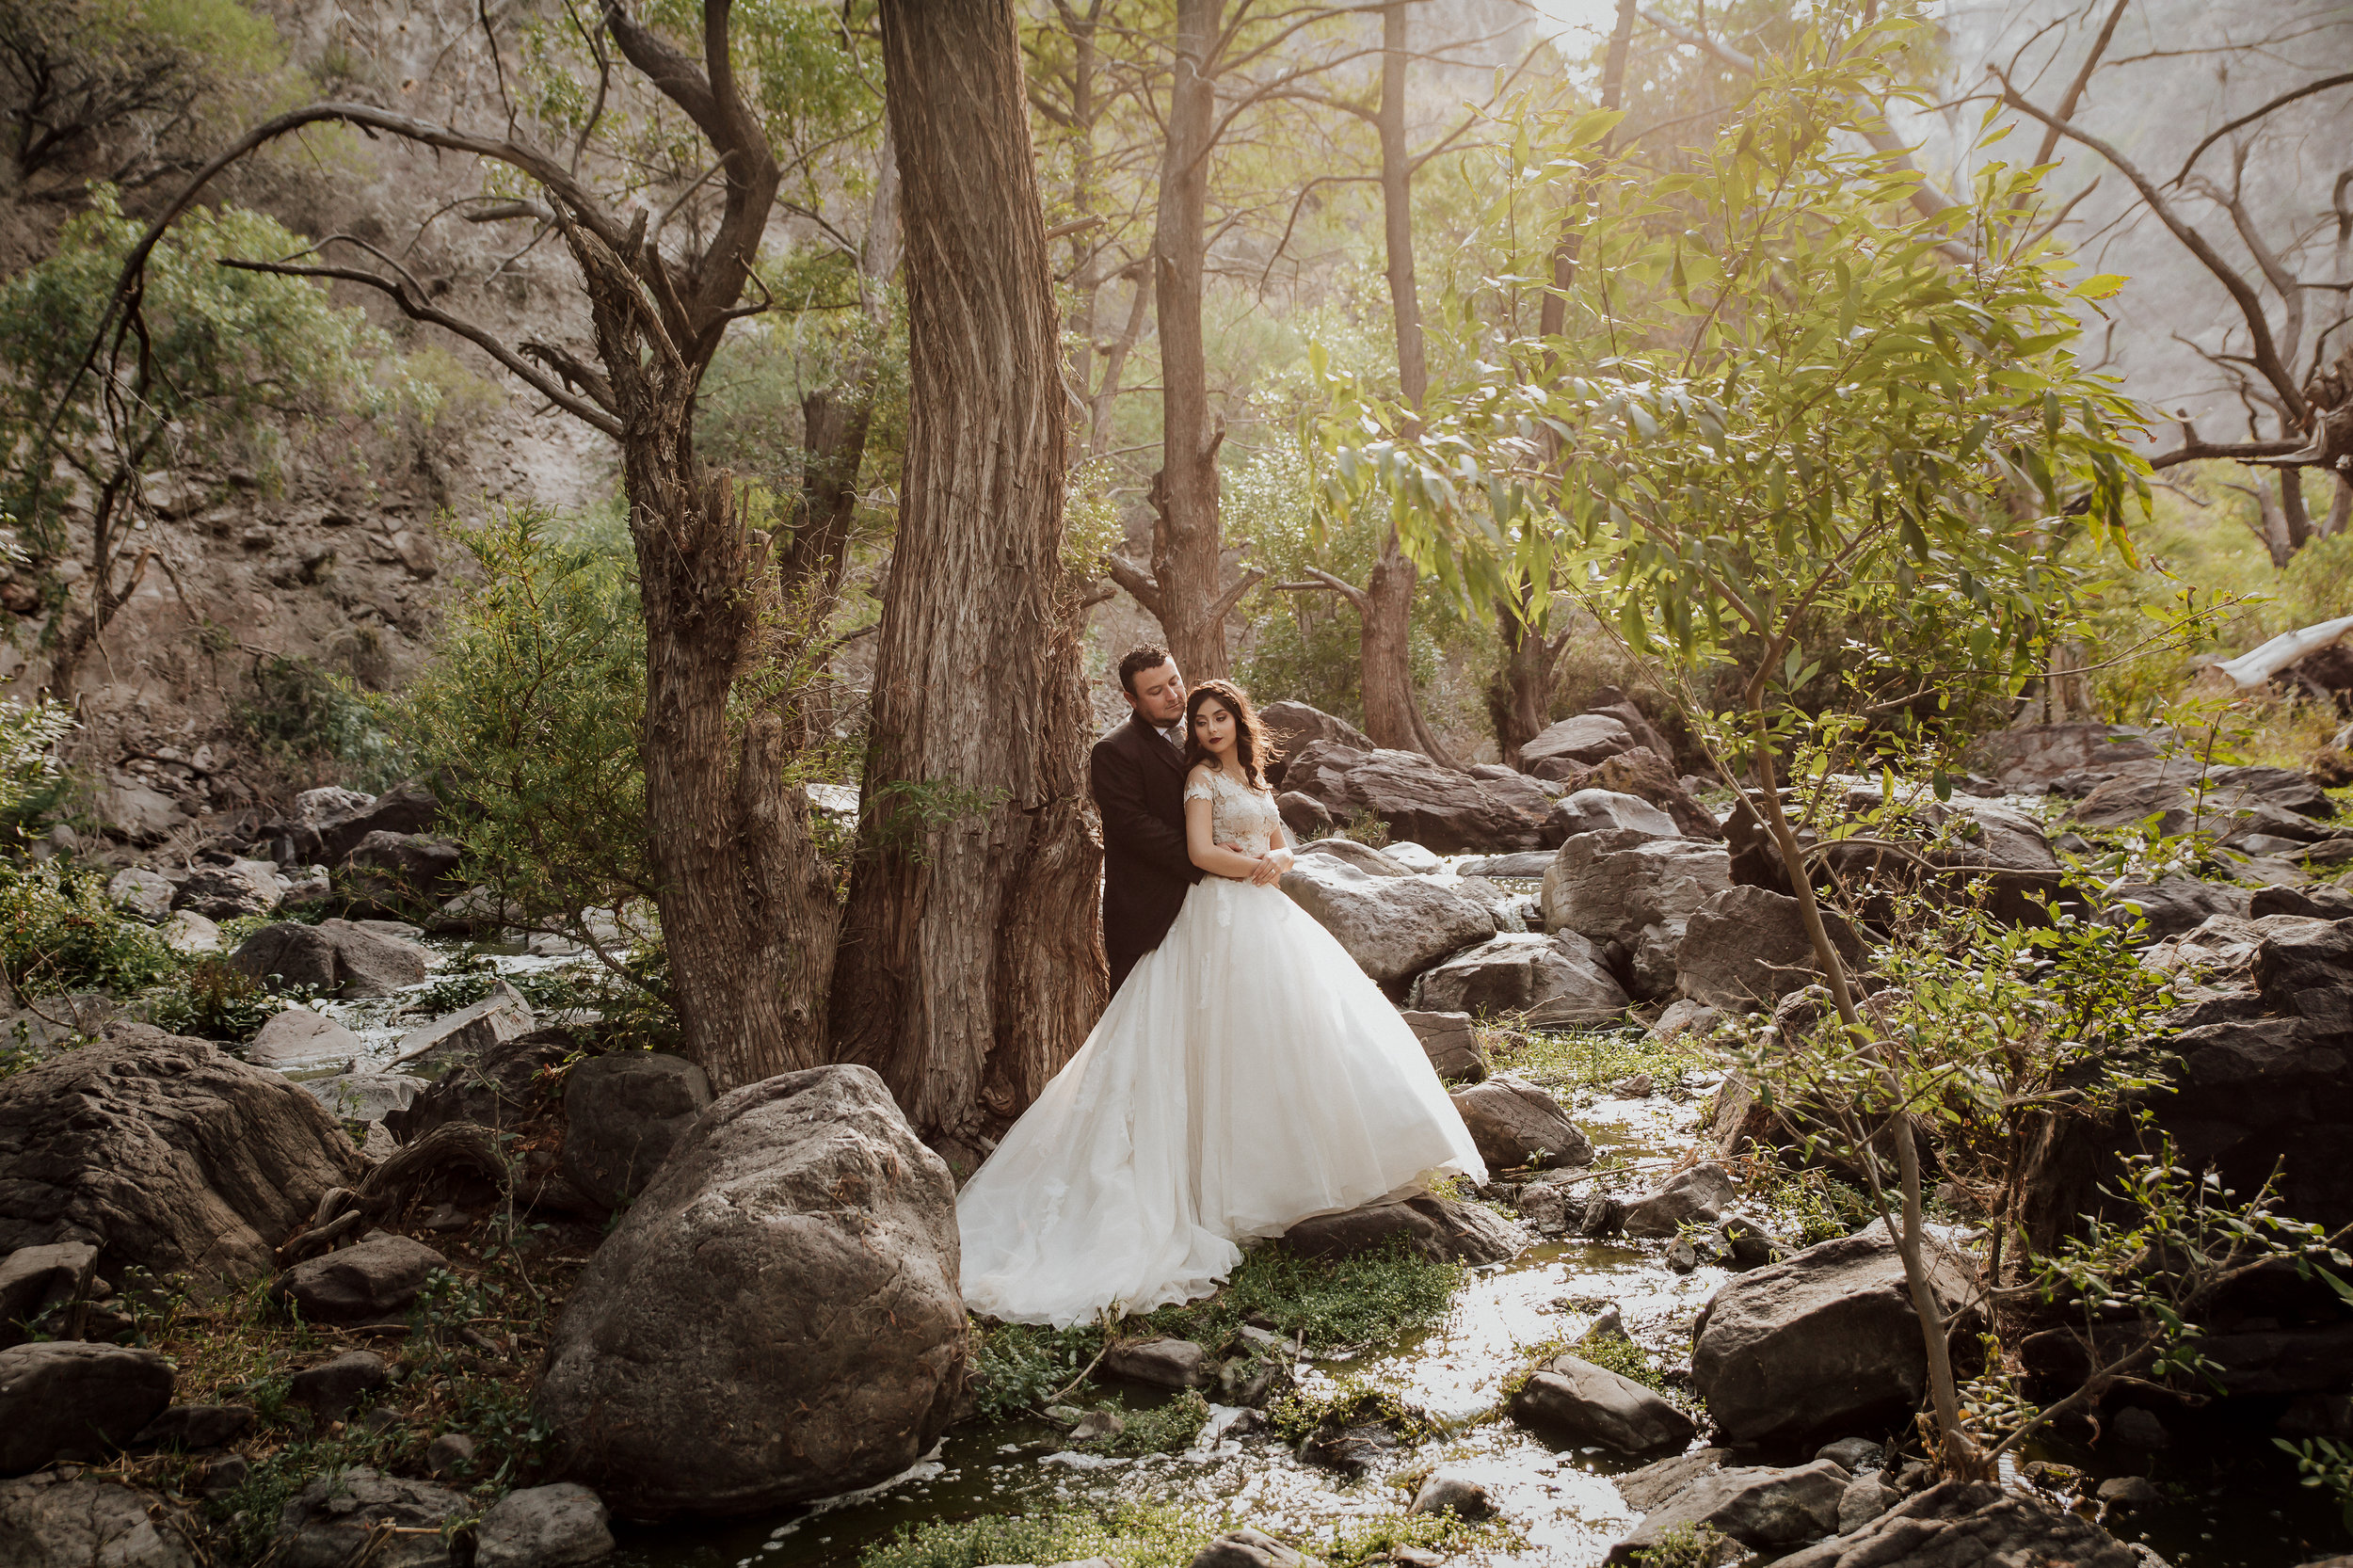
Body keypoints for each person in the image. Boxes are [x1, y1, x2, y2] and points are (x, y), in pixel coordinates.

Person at [957, 677, 1486, 1327]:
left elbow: (1278, 844)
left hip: (1267, 913)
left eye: (1217, 717)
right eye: (1199, 720)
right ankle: (1229, 1190)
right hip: (1218, 915)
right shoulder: (1199, 779)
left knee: (1302, 1031)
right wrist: (1254, 869)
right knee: (1222, 1036)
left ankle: (1326, 1169)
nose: (1207, 729)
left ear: (1239, 720)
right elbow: (1202, 851)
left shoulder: (1258, 780)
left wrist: (1277, 863)